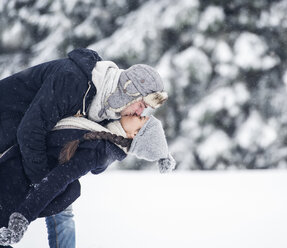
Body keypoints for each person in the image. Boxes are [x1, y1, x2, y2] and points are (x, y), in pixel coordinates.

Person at [0, 48, 168, 248]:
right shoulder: (72, 80)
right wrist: (42, 182)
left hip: (26, 151)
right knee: (57, 194)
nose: (141, 111)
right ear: (129, 91)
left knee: (61, 199)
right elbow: (30, 131)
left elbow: (95, 158)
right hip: (8, 129)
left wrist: (47, 185)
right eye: (141, 104)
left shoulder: (110, 108)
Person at [0, 114, 176, 247]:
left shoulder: (99, 150)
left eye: (142, 118)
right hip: (13, 171)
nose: (139, 113)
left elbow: (58, 180)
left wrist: (23, 216)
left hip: (13, 184)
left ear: (135, 134)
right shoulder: (104, 130)